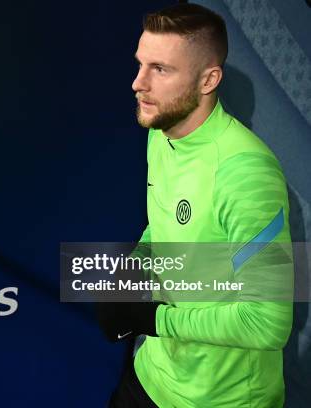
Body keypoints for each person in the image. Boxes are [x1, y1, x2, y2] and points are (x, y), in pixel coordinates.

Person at [102, 3, 294, 407]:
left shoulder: (246, 173)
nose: (138, 83)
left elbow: (267, 323)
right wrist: (133, 269)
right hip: (152, 376)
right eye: (140, 65)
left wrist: (153, 320)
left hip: (222, 400)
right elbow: (163, 226)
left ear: (208, 80)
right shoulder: (161, 131)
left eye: (161, 69)